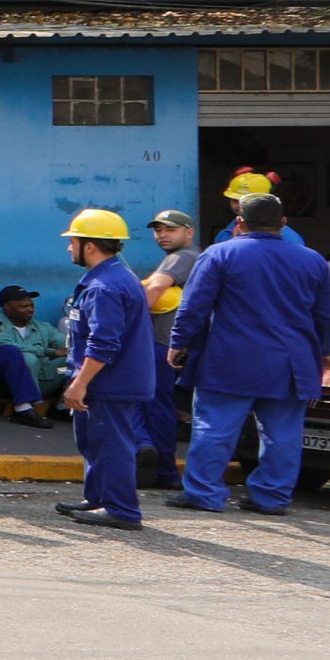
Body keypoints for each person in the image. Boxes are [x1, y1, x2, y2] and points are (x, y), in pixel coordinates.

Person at [167, 192, 330, 517]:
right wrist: (324, 350)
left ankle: (204, 493)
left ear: (239, 222)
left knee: (215, 428)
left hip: (230, 360)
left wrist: (179, 342)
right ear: (283, 223)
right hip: (290, 363)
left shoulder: (220, 254)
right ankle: (272, 498)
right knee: (282, 434)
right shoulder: (312, 259)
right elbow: (326, 315)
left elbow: (194, 306)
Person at [51, 211, 157, 531]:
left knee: (111, 444)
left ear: (91, 246)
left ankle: (122, 509)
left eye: (73, 242)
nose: (70, 248)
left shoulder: (105, 286)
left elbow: (103, 343)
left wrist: (79, 383)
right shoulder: (113, 277)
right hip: (109, 380)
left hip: (109, 382)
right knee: (95, 441)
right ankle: (98, 498)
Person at [136, 210, 199, 490]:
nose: (162, 235)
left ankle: (162, 466)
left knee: (153, 403)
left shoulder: (182, 257)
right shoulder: (191, 258)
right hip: (172, 344)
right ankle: (161, 466)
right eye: (158, 230)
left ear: (189, 232)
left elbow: (157, 287)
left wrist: (126, 320)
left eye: (170, 230)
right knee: (161, 404)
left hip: (161, 343)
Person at [0, 286, 67, 424]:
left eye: (31, 305)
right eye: (23, 306)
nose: (30, 309)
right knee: (24, 356)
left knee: (10, 351)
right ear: (7, 307)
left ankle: (25, 408)